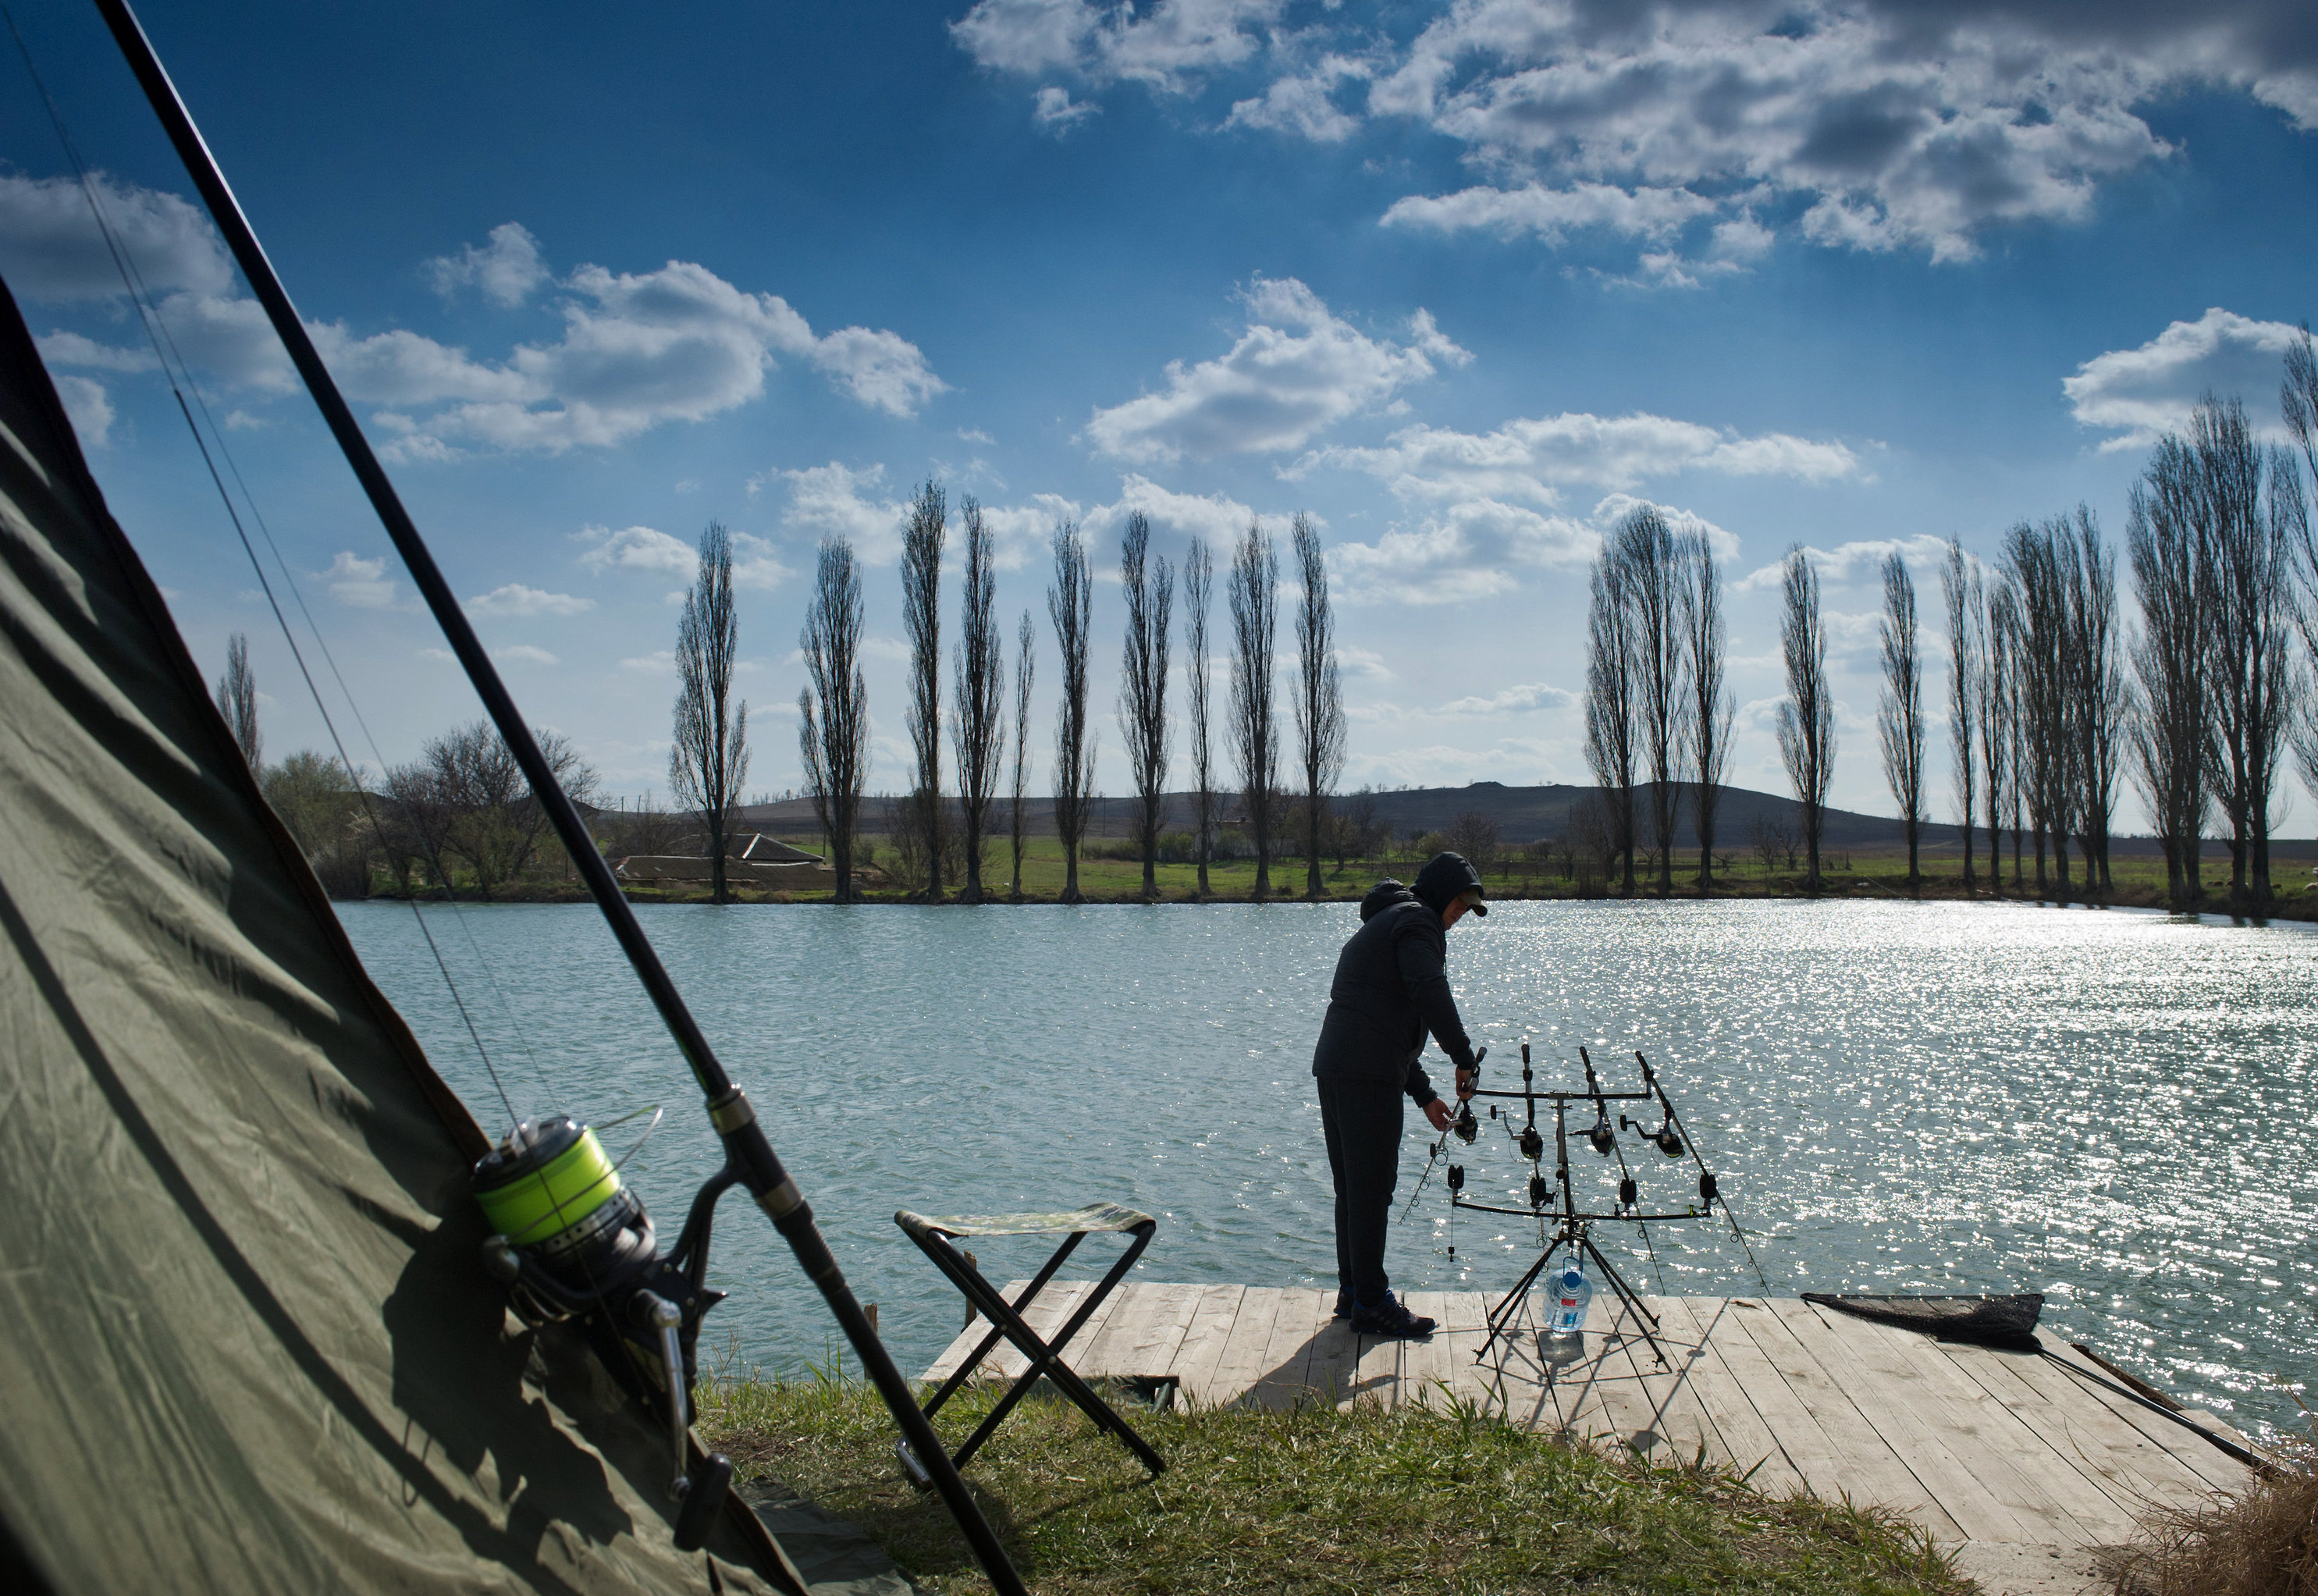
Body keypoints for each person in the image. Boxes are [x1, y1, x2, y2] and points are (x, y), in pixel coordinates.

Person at [1310, 851, 1487, 1338]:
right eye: (1458, 906)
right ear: (1439, 895)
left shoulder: (1392, 921)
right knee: (1370, 1189)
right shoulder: (1418, 922)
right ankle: (1371, 1301)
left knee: (1354, 1188)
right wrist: (1463, 1056)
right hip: (1365, 1073)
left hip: (1340, 1065)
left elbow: (1387, 1022)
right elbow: (1427, 989)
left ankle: (1354, 1292)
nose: (1458, 919)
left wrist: (1426, 1094)